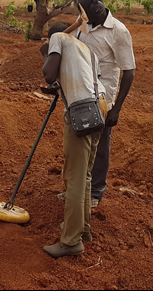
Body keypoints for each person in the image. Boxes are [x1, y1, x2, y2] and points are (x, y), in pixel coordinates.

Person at [63, 0, 136, 208]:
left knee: (100, 148)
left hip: (103, 100)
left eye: (84, 11)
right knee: (78, 147)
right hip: (78, 96)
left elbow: (129, 71)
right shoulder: (83, 24)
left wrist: (117, 109)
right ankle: (76, 191)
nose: (81, 15)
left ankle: (95, 193)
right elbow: (66, 43)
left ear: (96, 10)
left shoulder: (118, 31)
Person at [40, 22, 107, 258]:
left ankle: (70, 241)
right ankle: (84, 229)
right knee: (86, 175)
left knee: (75, 177)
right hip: (100, 107)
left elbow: (48, 75)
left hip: (81, 112)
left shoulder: (58, 37)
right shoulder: (87, 50)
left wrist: (47, 52)